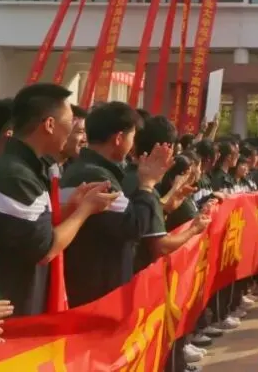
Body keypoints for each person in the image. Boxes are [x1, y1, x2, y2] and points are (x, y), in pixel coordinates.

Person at [0, 83, 117, 316]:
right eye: (70, 122)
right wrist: (85, 210)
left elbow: (29, 226)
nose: (77, 132)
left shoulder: (26, 168)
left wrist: (72, 207)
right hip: (3, 311)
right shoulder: (15, 175)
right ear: (49, 124)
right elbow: (44, 249)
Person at [59, 102, 174, 307]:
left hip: (91, 283)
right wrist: (147, 185)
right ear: (119, 139)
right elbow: (134, 225)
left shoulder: (86, 169)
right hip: (97, 289)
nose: (134, 144)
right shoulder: (97, 176)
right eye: (132, 137)